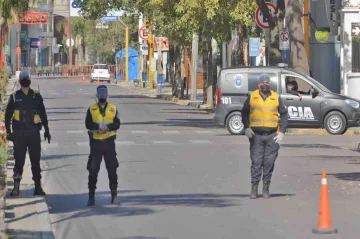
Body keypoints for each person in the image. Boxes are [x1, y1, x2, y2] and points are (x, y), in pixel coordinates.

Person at [241, 74, 288, 199]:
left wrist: (282, 131)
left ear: (270, 85)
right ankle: (254, 188)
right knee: (256, 162)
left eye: (267, 83)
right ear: (258, 85)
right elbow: (244, 112)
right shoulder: (252, 96)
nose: (265, 85)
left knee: (269, 162)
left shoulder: (276, 97)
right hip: (256, 136)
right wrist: (246, 127)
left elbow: (284, 114)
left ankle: (266, 187)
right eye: (262, 83)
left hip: (272, 136)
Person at [5, 70, 51, 197]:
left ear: (29, 80)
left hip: (33, 133)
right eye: (23, 78)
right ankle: (16, 188)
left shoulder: (36, 96)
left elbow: (43, 114)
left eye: (26, 78)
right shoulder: (14, 97)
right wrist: (9, 132)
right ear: (20, 81)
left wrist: (47, 130)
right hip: (19, 134)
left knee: (35, 161)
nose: (25, 80)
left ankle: (38, 187)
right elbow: (8, 116)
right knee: (19, 161)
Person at [85, 85, 121, 206]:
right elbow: (87, 123)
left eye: (103, 93)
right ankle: (91, 197)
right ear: (97, 95)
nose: (102, 95)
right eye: (100, 93)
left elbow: (117, 124)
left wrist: (107, 128)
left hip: (109, 143)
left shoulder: (113, 109)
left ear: (107, 94)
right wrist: (97, 127)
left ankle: (114, 196)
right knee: (93, 170)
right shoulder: (91, 109)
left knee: (112, 170)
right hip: (96, 143)